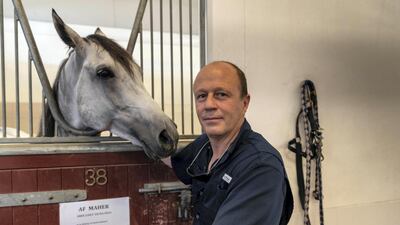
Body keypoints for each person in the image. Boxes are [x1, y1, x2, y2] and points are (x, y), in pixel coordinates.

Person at [162, 61, 293, 225]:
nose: (208, 105)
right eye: (201, 96)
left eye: (221, 94)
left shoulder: (260, 167)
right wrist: (141, 132)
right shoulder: (205, 146)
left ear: (244, 103)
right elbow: (173, 159)